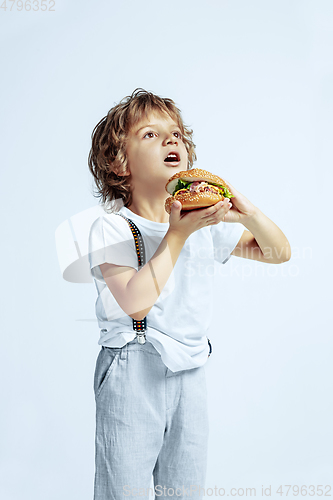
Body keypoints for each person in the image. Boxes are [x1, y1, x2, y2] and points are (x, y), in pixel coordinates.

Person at [87, 88, 291, 499]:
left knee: (183, 490)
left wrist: (247, 213)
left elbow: (279, 252)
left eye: (177, 134)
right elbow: (135, 301)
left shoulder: (203, 226)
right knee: (121, 489)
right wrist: (177, 234)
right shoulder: (110, 229)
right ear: (119, 163)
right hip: (132, 369)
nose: (171, 140)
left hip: (191, 370)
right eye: (151, 134)